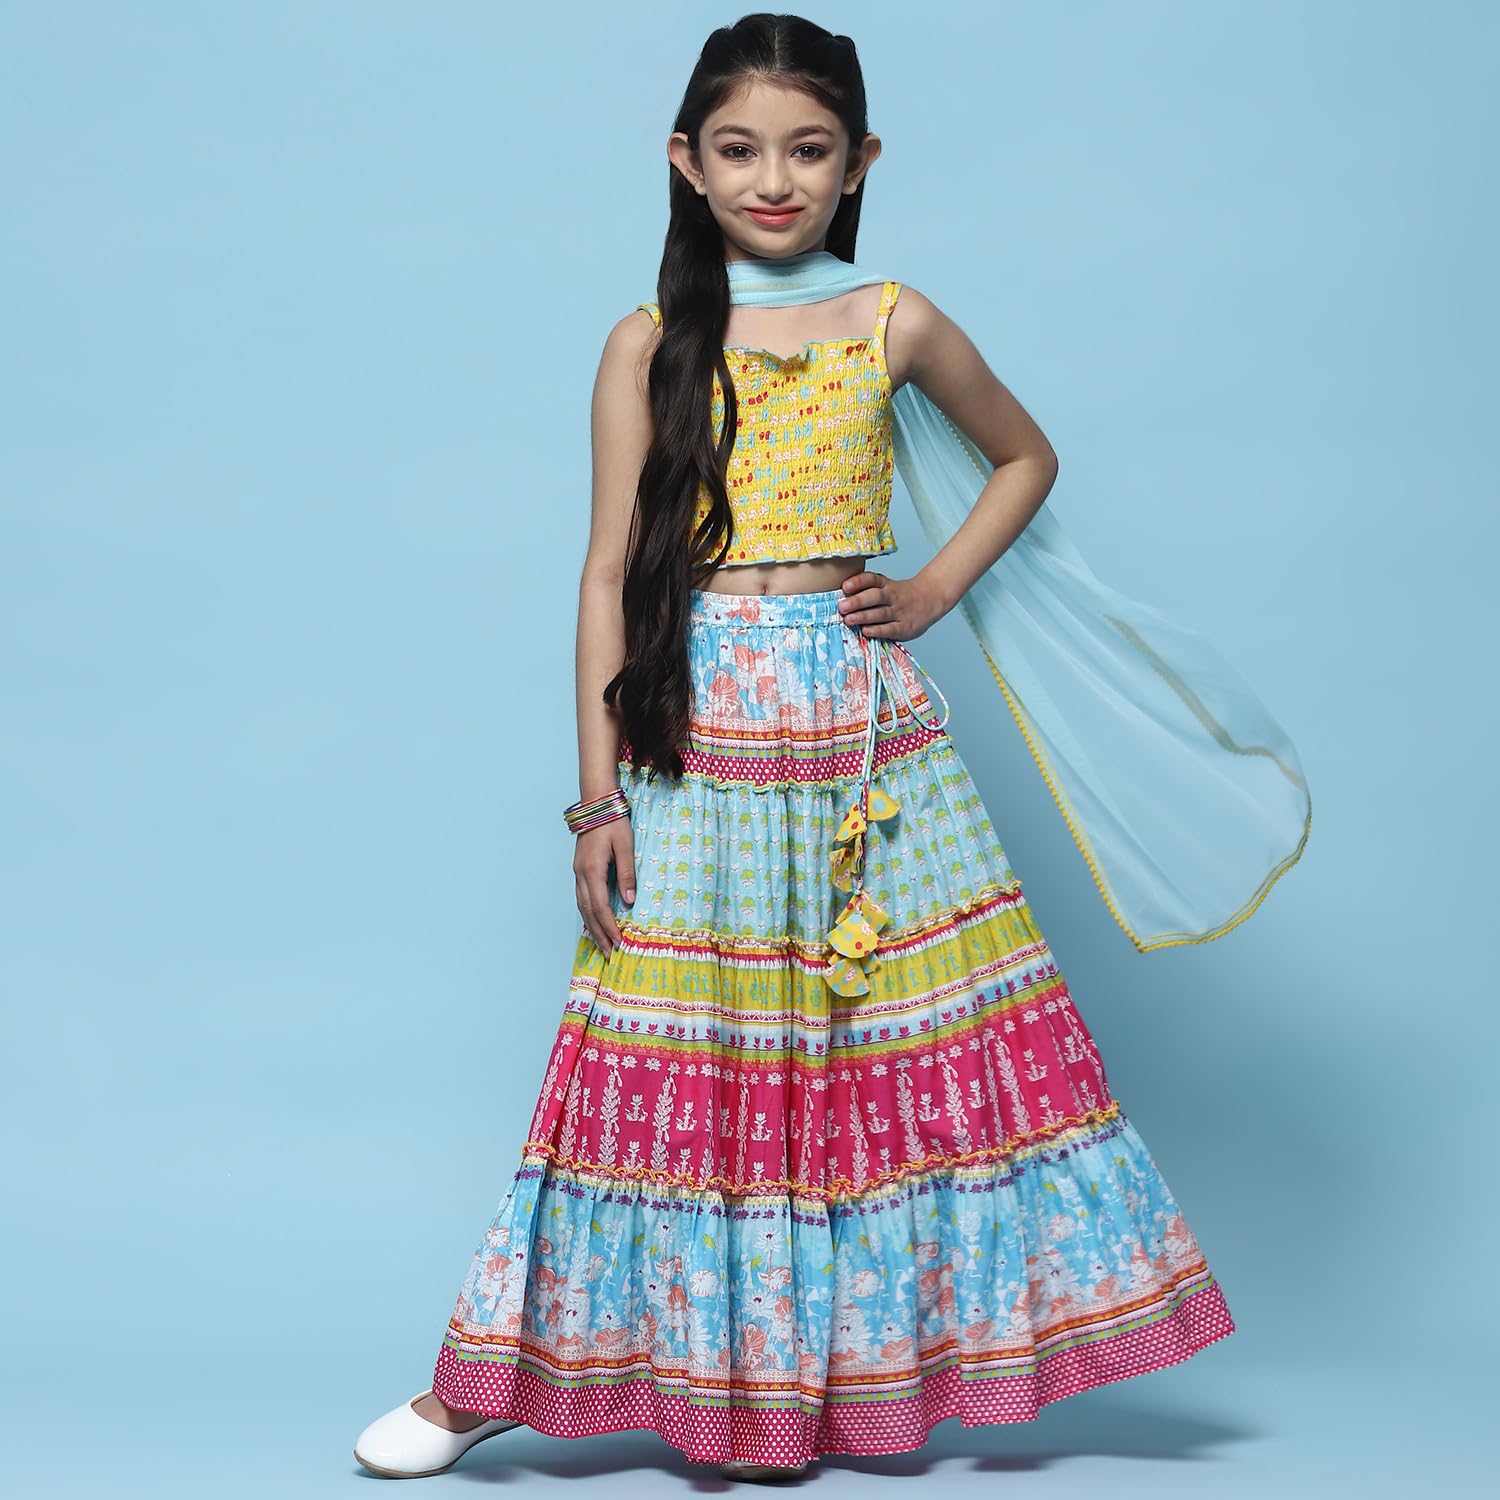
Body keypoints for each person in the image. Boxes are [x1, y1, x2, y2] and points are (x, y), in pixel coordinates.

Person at [354, 11, 1267, 1483]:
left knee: (898, 1046)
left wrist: (934, 589)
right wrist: (595, 800)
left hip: (865, 741)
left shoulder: (893, 320)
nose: (773, 179)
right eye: (739, 150)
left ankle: (835, 1387)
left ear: (860, 163)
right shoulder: (648, 341)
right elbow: (605, 573)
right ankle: (494, 1383)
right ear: (686, 161)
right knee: (661, 1046)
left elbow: (1026, 454)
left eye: (808, 150)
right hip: (697, 728)